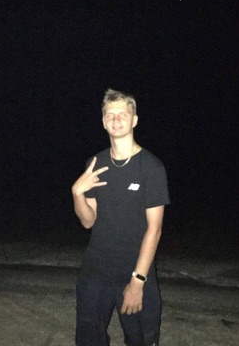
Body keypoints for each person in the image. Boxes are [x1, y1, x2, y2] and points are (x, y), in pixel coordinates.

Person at [71, 88, 170, 346]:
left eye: (122, 114)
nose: (116, 119)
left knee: (142, 340)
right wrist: (77, 193)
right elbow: (88, 221)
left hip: (136, 270)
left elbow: (154, 229)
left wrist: (137, 282)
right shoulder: (95, 163)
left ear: (134, 120)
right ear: (103, 121)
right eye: (110, 115)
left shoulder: (151, 167)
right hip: (95, 271)